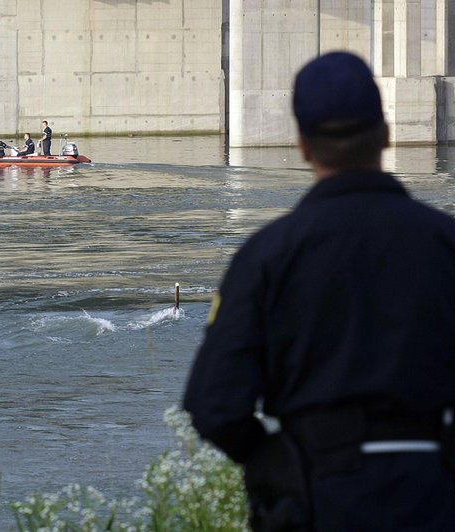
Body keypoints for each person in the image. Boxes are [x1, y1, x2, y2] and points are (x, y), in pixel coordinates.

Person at [183, 51, 455, 531]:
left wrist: (273, 462)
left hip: (316, 495)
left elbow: (214, 405)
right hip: (434, 490)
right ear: (386, 134)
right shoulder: (445, 243)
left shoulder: (266, 257)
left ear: (304, 146)